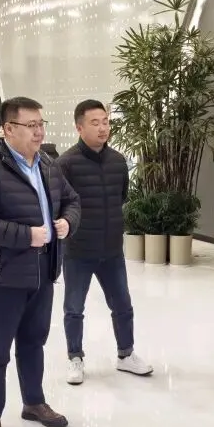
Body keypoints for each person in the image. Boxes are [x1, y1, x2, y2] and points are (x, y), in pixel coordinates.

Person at [0, 97, 81, 427]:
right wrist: (26, 235)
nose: (39, 131)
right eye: (31, 125)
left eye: (41, 124)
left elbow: (72, 200)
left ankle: (34, 402)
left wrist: (67, 222)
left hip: (43, 270)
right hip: (3, 274)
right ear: (8, 129)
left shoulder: (48, 164)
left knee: (33, 342)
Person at [56, 99, 152, 385]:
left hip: (111, 249)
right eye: (95, 123)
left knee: (122, 304)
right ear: (79, 127)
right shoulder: (66, 163)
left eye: (106, 122)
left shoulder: (118, 161)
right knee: (74, 308)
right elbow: (60, 205)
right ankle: (75, 358)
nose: (102, 128)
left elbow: (121, 196)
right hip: (78, 250)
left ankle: (126, 355)